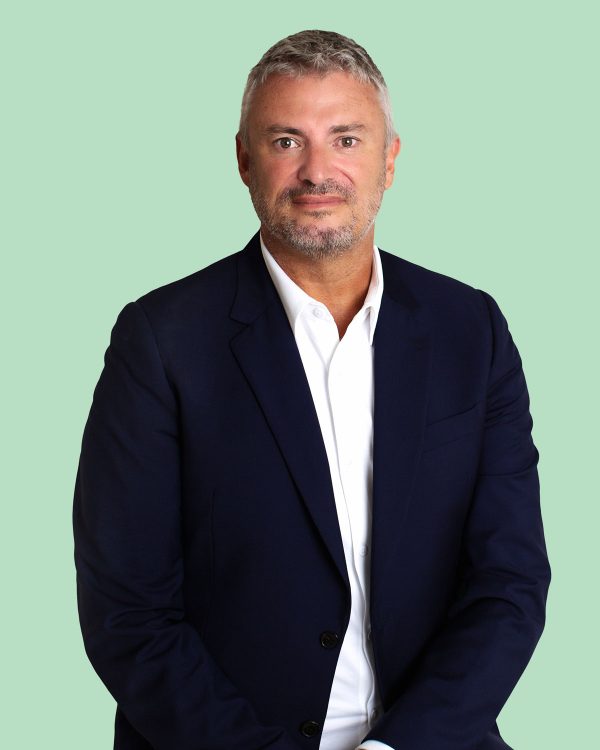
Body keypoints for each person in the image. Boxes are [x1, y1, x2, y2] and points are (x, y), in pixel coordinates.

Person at [73, 29, 551, 750]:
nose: (317, 171)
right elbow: (128, 616)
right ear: (244, 160)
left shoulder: (470, 329)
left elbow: (509, 582)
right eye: (286, 141)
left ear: (390, 159)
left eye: (347, 140)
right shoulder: (161, 341)